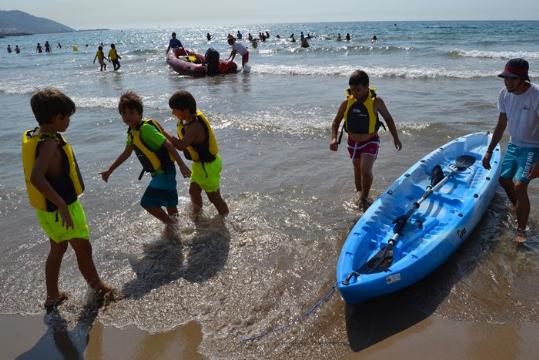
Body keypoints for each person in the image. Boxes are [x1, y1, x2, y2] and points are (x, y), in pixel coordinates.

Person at [22, 88, 113, 312]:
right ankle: (99, 289)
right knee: (83, 248)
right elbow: (36, 178)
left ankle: (52, 295)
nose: (69, 121)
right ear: (56, 118)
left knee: (58, 248)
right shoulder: (50, 144)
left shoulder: (37, 135)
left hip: (47, 210)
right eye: (67, 117)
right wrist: (62, 205)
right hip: (61, 208)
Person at [100, 91, 191, 236]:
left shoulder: (145, 129)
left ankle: (170, 224)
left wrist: (181, 164)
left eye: (131, 113)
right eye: (123, 113)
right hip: (162, 172)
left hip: (164, 172)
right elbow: (126, 153)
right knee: (170, 202)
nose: (127, 117)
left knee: (147, 203)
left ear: (140, 114)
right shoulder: (131, 132)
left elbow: (168, 144)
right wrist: (110, 170)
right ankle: (176, 231)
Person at [482, 58, 539, 243]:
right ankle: (519, 208)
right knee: (504, 179)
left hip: (533, 147)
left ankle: (521, 230)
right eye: (505, 77)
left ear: (523, 78)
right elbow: (501, 124)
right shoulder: (504, 94)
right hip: (515, 145)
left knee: (520, 186)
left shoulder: (536, 95)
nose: (508, 82)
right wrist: (489, 150)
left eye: (513, 78)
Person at [330, 70, 402, 211]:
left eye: (358, 90)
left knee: (365, 169)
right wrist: (333, 139)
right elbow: (336, 122)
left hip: (370, 141)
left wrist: (396, 138)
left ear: (367, 87)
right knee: (357, 170)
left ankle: (365, 198)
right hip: (352, 143)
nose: (355, 93)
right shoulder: (346, 103)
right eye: (352, 90)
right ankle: (359, 195)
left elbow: (388, 119)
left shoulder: (376, 102)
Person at [167, 90, 229, 219]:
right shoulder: (190, 119)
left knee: (214, 197)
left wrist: (162, 132)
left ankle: (224, 219)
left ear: (186, 110)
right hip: (201, 165)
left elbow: (181, 145)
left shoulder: (194, 127)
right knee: (194, 191)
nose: (173, 113)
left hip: (207, 166)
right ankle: (197, 216)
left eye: (175, 110)